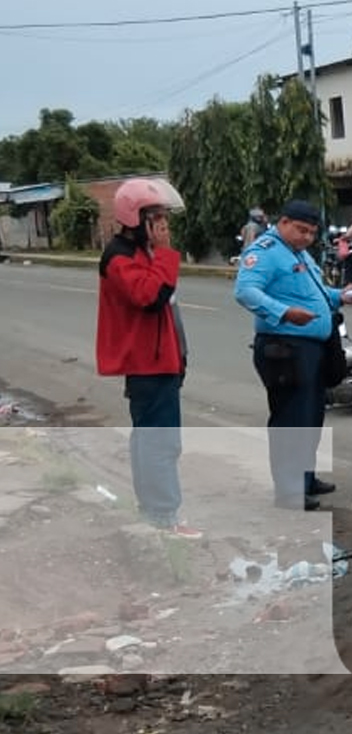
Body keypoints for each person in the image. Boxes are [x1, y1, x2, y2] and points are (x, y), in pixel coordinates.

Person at [233, 200, 352, 511]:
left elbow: (315, 293)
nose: (306, 237)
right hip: (285, 348)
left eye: (312, 233)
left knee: (311, 417)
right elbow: (246, 291)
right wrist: (284, 313)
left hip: (314, 347)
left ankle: (305, 478)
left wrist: (340, 296)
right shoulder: (264, 251)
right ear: (284, 222)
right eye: (301, 230)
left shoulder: (299, 254)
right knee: (291, 419)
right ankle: (289, 490)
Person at [95, 177, 201, 539]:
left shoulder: (140, 253)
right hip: (147, 365)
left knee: (151, 439)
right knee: (160, 442)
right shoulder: (120, 258)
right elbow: (152, 297)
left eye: (165, 220)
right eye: (157, 219)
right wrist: (166, 251)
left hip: (162, 361)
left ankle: (156, 513)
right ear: (136, 218)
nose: (164, 227)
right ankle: (164, 517)